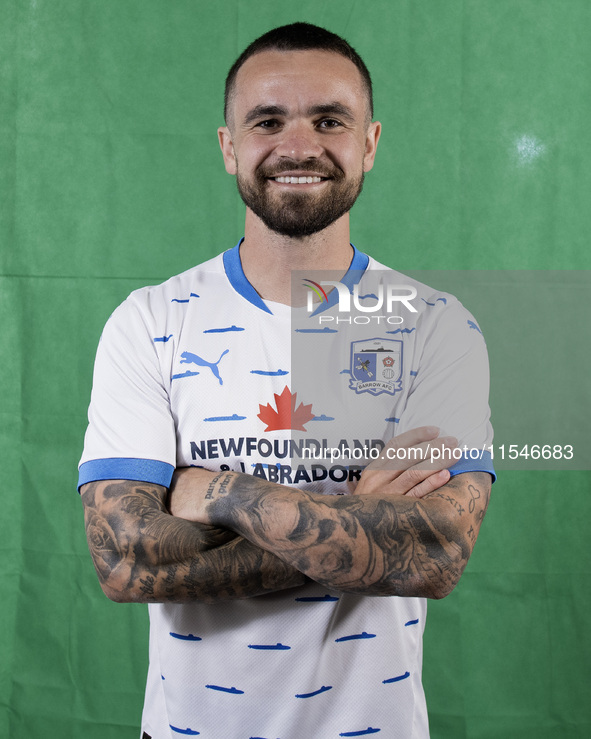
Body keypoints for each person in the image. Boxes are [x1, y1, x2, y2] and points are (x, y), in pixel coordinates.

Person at [79, 22, 495, 739]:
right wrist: (358, 517)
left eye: (328, 120)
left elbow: (433, 551)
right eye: (267, 120)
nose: (297, 145)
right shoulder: (149, 320)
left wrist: (225, 492)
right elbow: (124, 559)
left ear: (368, 143)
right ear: (228, 146)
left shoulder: (434, 323)